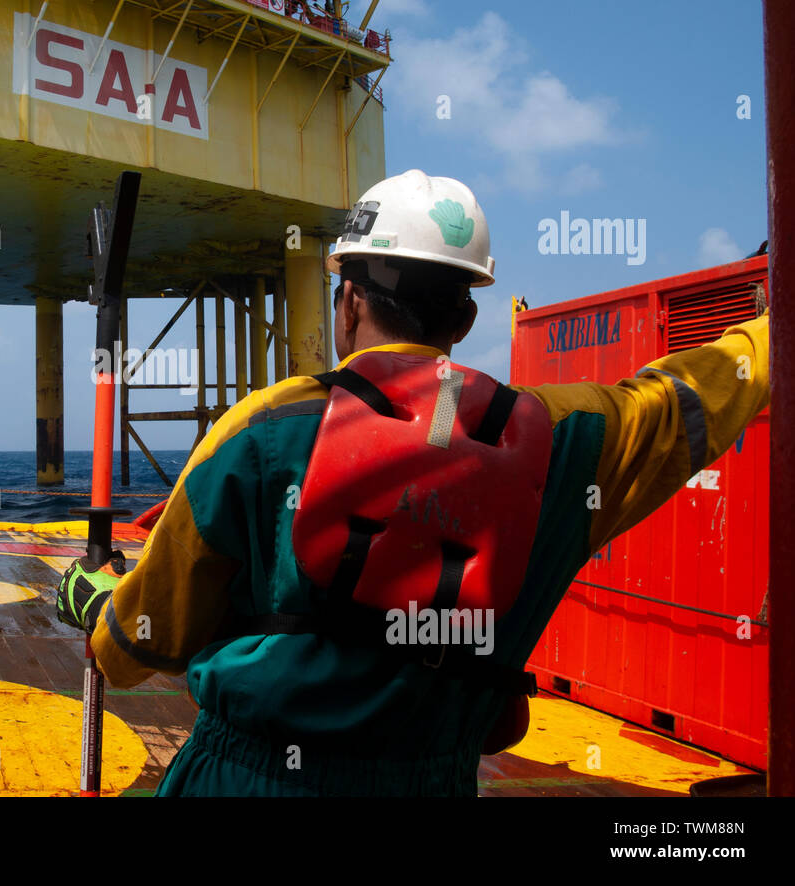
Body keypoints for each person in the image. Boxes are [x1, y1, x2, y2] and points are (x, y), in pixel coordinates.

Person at [56, 169, 770, 796]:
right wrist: (771, 331)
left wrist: (97, 601)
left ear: (347, 306)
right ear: (464, 316)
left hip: (253, 775)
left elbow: (135, 645)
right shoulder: (570, 441)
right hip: (436, 776)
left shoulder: (261, 431)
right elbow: (691, 397)